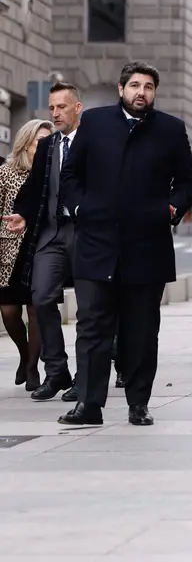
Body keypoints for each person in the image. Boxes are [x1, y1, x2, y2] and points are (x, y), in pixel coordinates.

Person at [57, 61, 192, 426]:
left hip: (146, 245)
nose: (142, 92)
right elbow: (70, 174)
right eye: (135, 85)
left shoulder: (170, 129)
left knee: (141, 329)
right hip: (95, 242)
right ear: (121, 89)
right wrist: (78, 207)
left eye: (149, 86)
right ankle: (88, 404)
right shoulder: (95, 122)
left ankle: (139, 403)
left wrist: (170, 209)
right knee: (92, 327)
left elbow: (187, 182)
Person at [6, 83, 91, 402]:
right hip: (50, 234)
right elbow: (34, 189)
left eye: (62, 107)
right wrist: (23, 216)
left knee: (89, 309)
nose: (55, 113)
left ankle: (85, 376)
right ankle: (56, 371)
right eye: (52, 108)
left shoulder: (93, 143)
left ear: (77, 108)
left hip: (86, 234)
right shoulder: (47, 146)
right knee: (41, 299)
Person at [0, 119, 55, 391]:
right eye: (40, 142)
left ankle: (33, 366)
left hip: (41, 248)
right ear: (26, 143)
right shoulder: (6, 173)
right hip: (9, 250)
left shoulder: (53, 173)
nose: (45, 147)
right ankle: (24, 353)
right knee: (9, 311)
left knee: (37, 309)